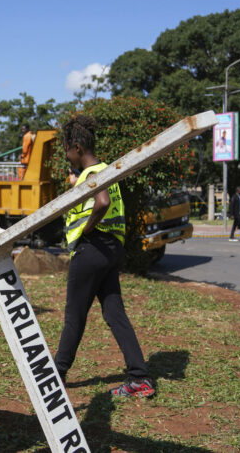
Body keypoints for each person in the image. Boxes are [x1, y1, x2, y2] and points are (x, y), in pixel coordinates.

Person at [54, 115, 154, 398]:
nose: (66, 156)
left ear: (76, 147)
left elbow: (102, 203)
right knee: (114, 313)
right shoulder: (107, 171)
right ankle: (139, 378)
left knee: (74, 316)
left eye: (66, 150)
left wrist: (86, 230)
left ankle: (56, 373)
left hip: (91, 248)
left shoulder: (91, 175)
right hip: (111, 250)